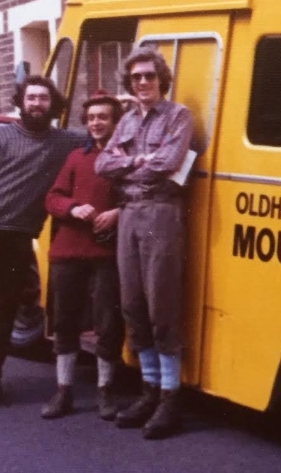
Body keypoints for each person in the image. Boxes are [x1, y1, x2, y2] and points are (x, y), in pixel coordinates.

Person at [0, 75, 83, 413]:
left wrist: (123, 112)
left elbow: (98, 136)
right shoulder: (0, 137)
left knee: (3, 313)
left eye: (43, 99)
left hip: (20, 238)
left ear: (53, 104)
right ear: (21, 101)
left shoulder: (64, 141)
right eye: (31, 98)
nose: (36, 104)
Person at [96, 46, 194, 439]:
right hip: (130, 213)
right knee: (133, 303)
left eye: (149, 77)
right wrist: (137, 161)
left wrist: (130, 162)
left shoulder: (178, 115)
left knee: (161, 302)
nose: (142, 83)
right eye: (135, 78)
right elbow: (104, 164)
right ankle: (148, 390)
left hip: (160, 213)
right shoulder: (126, 120)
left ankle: (171, 399)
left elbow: (168, 162)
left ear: (161, 80)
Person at [41, 92, 124, 421]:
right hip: (70, 250)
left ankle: (105, 390)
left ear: (116, 122)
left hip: (106, 251)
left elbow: (138, 196)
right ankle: (64, 390)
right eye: (91, 118)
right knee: (65, 321)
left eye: (103, 117)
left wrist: (118, 212)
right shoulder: (77, 157)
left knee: (108, 321)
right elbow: (53, 198)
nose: (96, 123)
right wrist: (74, 208)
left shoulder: (125, 159)